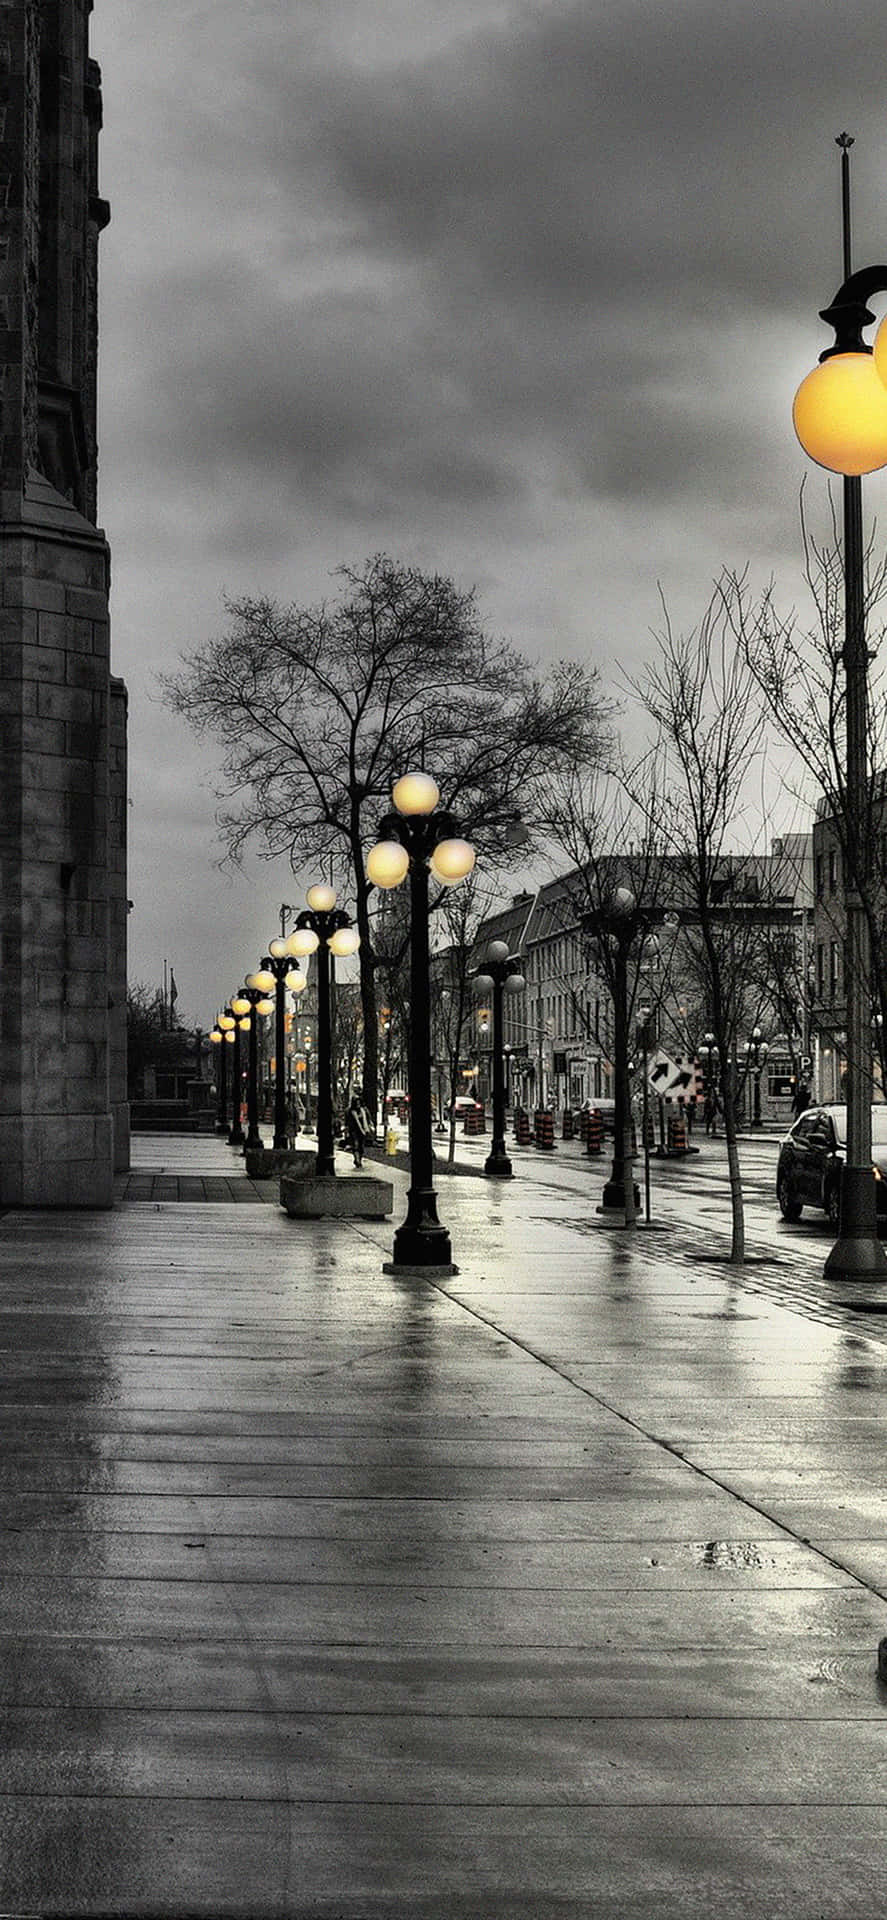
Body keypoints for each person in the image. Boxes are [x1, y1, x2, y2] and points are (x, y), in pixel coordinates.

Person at [345, 1092, 373, 1168]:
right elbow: (347, 1123)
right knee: (355, 1145)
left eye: (359, 1103)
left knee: (361, 1147)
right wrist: (346, 1131)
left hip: (363, 1131)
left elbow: (369, 1119)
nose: (358, 1104)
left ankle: (359, 1159)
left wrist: (370, 1126)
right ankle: (357, 1160)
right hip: (353, 1131)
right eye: (356, 1103)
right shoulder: (349, 1111)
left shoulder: (364, 1110)